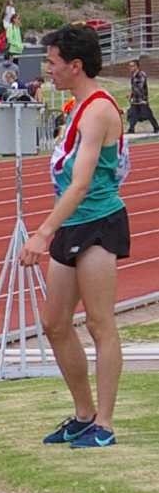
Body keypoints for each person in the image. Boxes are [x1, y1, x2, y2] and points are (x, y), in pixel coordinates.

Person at [23, 24, 130, 450]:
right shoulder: (77, 106)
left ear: (75, 65)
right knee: (54, 323)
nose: (47, 69)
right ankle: (83, 413)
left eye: (52, 62)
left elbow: (82, 183)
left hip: (98, 223)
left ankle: (104, 423)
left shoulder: (100, 109)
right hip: (72, 223)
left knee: (101, 323)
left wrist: (42, 233)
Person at [128, 60, 156, 134]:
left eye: (132, 66)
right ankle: (131, 129)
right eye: (130, 66)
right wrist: (131, 94)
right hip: (135, 100)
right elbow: (134, 87)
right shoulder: (133, 75)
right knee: (132, 114)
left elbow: (140, 87)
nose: (130, 67)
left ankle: (156, 127)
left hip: (142, 99)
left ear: (137, 66)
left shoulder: (141, 74)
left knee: (148, 114)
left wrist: (132, 93)